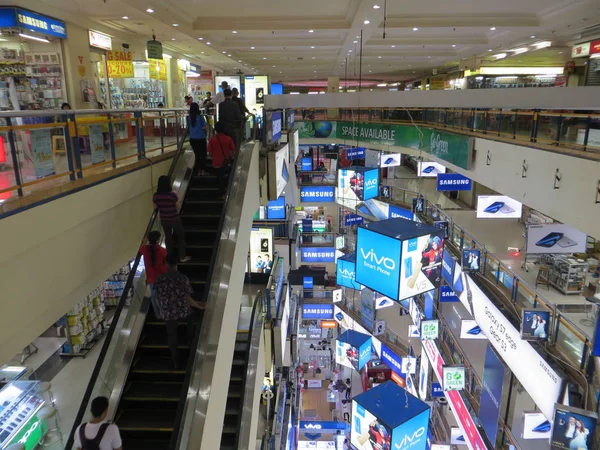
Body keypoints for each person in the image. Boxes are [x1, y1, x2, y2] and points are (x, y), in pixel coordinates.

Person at [155, 253, 206, 367]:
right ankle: (189, 339)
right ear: (177, 263)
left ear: (166, 264)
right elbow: (187, 298)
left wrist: (160, 311)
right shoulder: (182, 278)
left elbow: (157, 296)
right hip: (182, 310)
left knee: (171, 335)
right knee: (192, 315)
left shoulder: (159, 279)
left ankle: (176, 361)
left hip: (167, 312)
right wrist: (198, 306)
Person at [153, 175, 190, 262]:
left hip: (164, 220)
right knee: (180, 236)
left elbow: (155, 208)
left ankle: (169, 257)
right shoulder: (172, 195)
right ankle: (182, 256)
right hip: (174, 218)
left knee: (168, 238)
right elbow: (178, 206)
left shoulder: (156, 196)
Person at [139, 230, 168, 318]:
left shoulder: (144, 249)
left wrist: (144, 242)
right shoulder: (162, 251)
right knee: (162, 295)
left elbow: (140, 250)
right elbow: (166, 263)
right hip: (162, 277)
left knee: (154, 295)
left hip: (151, 278)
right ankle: (164, 312)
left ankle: (158, 313)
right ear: (158, 240)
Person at [207, 121, 235, 198]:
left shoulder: (212, 139)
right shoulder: (228, 139)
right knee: (227, 177)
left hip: (216, 163)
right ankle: (227, 192)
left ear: (215, 129)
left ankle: (220, 193)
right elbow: (233, 150)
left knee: (219, 178)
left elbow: (209, 153)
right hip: (226, 162)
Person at [187, 102, 208, 176]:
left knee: (196, 155)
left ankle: (196, 170)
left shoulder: (188, 118)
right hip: (201, 138)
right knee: (203, 155)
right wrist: (206, 134)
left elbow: (188, 128)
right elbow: (205, 127)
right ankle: (202, 171)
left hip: (192, 139)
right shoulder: (200, 117)